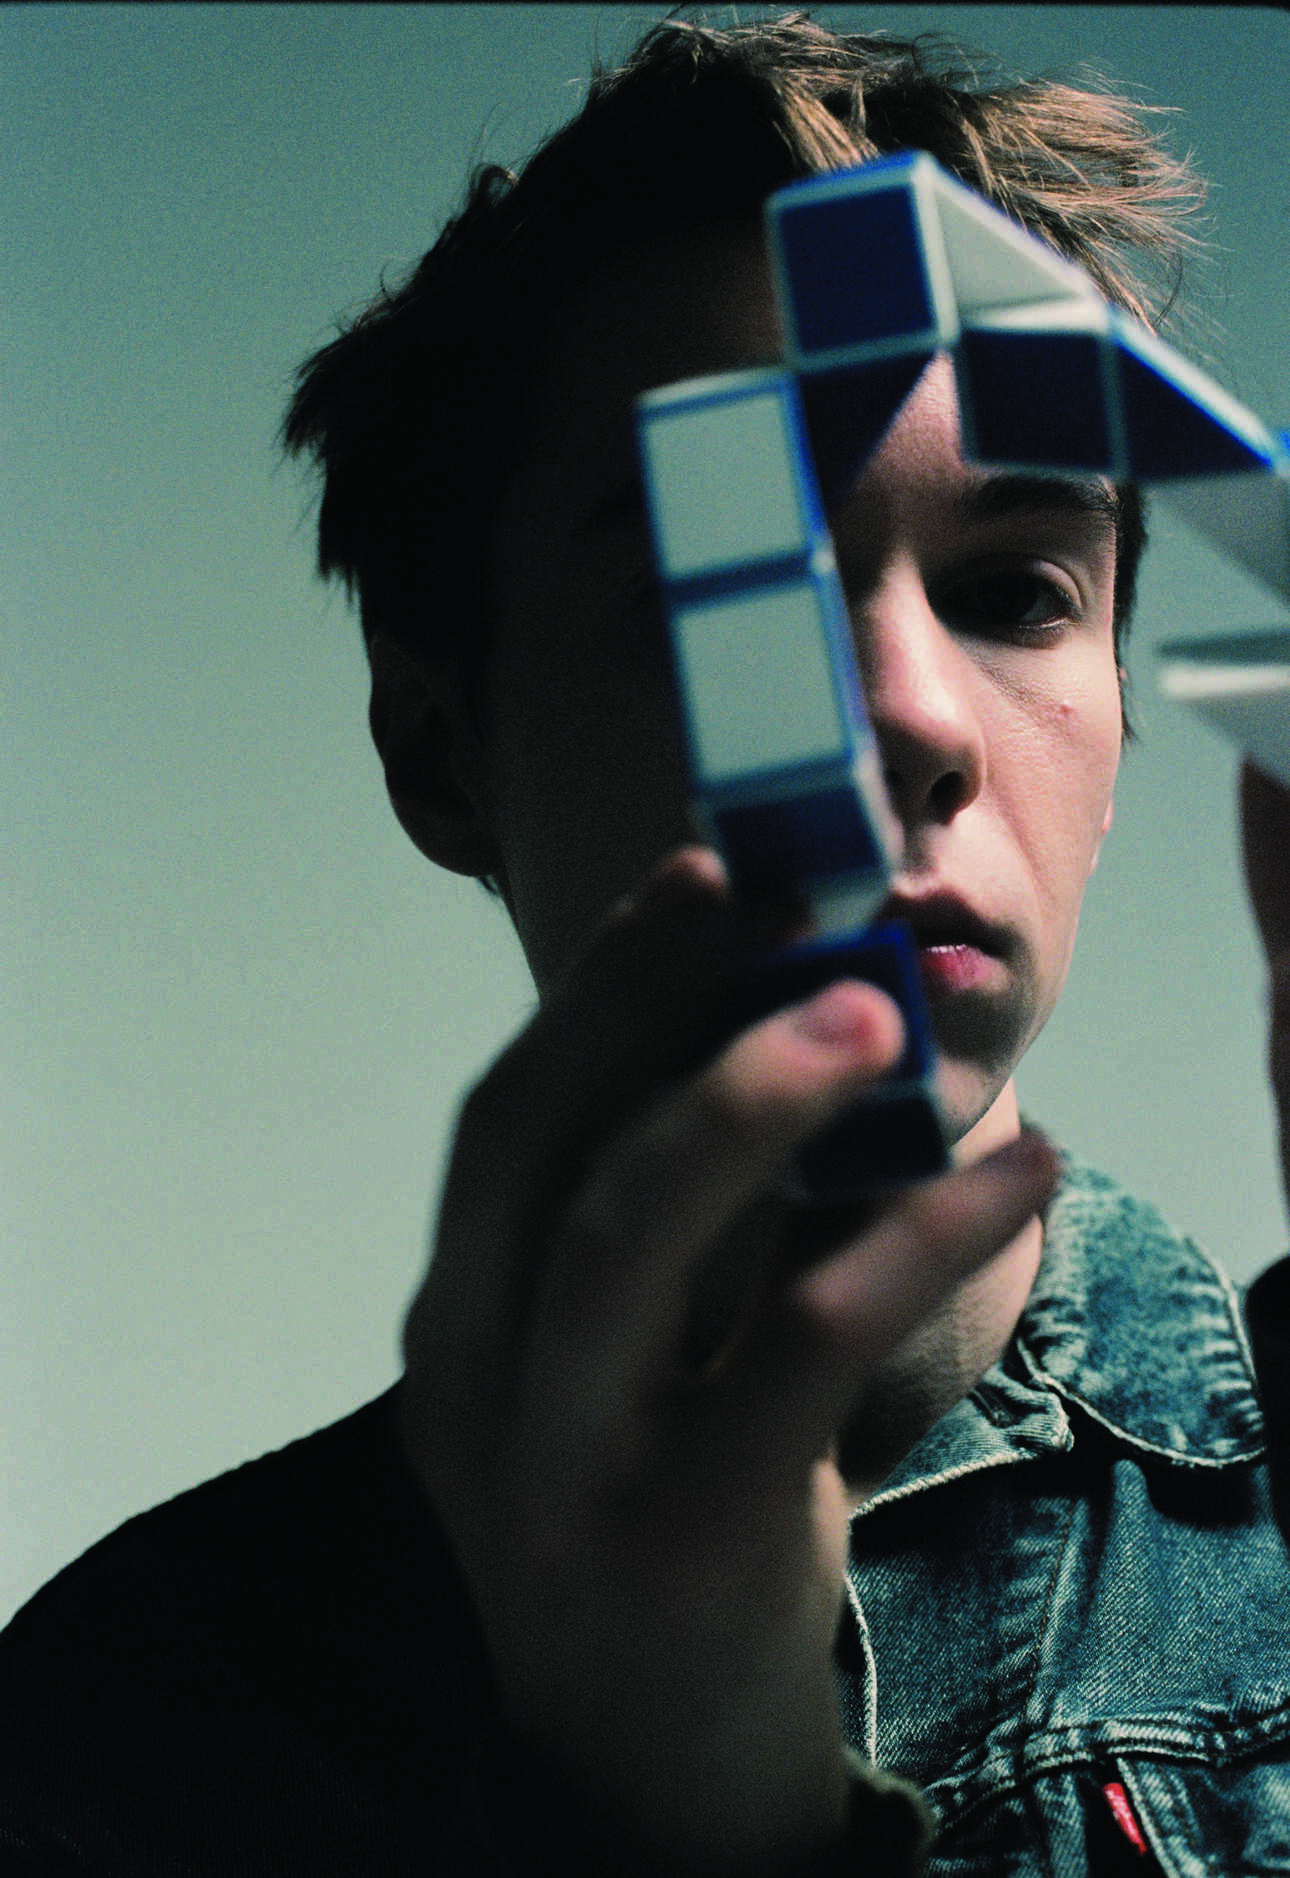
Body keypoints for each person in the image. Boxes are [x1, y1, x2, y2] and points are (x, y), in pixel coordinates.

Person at [4, 14, 1289, 1875]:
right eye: (731, 588)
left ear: (1115, 724)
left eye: (1017, 590)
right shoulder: (128, 1733)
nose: (908, 716)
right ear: (440, 745)